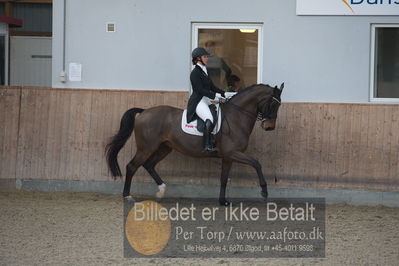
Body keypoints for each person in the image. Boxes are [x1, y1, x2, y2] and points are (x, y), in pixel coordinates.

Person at [187, 47, 226, 153]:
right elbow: (200, 90)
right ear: (198, 59)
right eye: (205, 57)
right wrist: (215, 96)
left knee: (221, 106)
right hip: (198, 101)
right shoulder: (195, 73)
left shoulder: (205, 71)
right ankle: (207, 145)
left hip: (206, 99)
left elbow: (212, 86)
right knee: (209, 118)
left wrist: (223, 92)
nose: (207, 59)